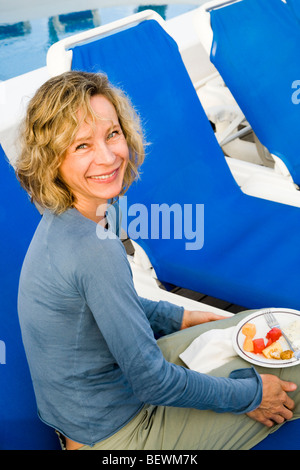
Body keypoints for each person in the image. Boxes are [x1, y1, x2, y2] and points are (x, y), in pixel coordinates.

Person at [16, 71, 300, 450]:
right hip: (117, 435)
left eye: (111, 133)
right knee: (291, 377)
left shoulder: (65, 217)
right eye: (81, 145)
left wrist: (181, 317)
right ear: (52, 159)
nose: (107, 155)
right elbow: (152, 382)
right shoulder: (91, 249)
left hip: (95, 400)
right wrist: (250, 396)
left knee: (257, 327)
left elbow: (103, 307)